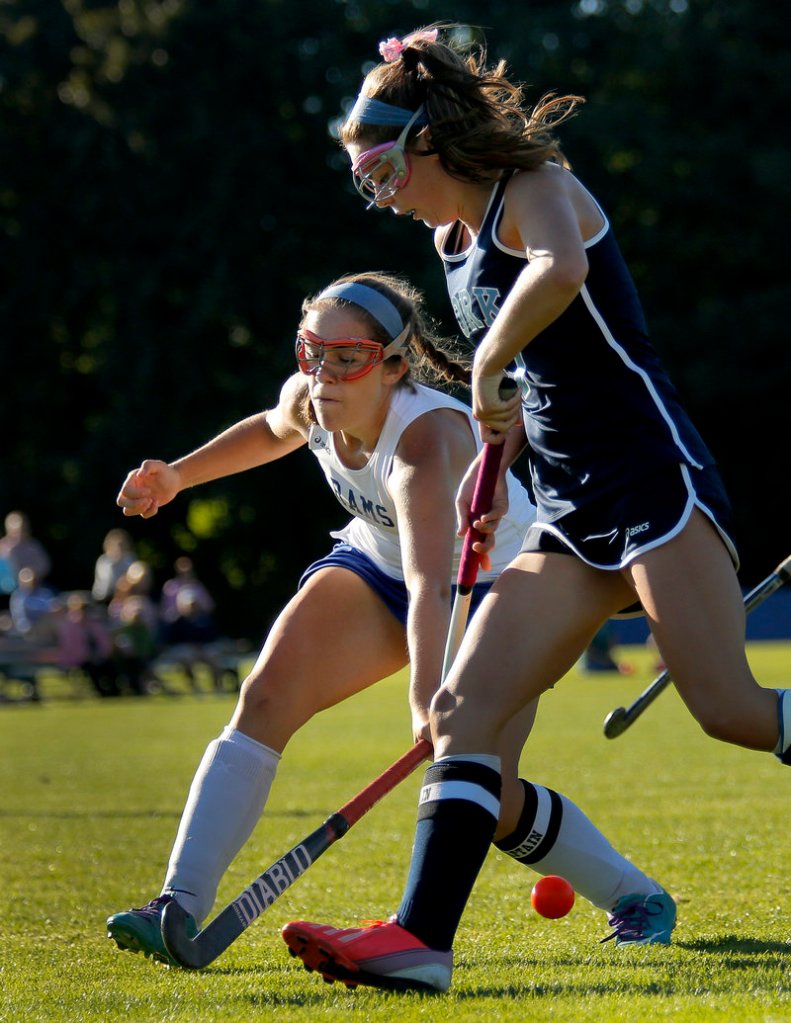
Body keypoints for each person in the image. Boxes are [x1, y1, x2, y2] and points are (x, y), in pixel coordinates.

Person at [281, 27, 789, 994]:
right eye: (363, 176)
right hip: (564, 505)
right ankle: (421, 941)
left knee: (726, 709)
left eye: (381, 166)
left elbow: (561, 273)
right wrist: (504, 439)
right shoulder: (450, 242)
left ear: (426, 143)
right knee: (462, 709)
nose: (376, 190)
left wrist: (482, 366)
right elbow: (543, 376)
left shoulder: (539, 188)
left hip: (651, 483)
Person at [106, 271, 671, 965]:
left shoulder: (424, 443)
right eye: (311, 352)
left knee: (481, 792)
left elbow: (436, 584)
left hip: (496, 586)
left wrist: (426, 698)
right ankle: (177, 904)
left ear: (395, 364)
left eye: (349, 358)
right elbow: (270, 429)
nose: (325, 373)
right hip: (378, 565)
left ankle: (634, 894)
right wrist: (178, 476)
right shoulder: (311, 401)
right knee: (264, 697)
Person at [0, 511, 51, 591]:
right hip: (8, 591)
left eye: (22, 529)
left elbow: (45, 565)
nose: (19, 534)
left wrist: (31, 574)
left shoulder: (33, 545)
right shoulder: (2, 547)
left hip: (35, 588)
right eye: (15, 531)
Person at [92, 528, 136, 604]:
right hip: (104, 597)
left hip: (127, 596)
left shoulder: (130, 559)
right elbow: (107, 583)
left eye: (121, 544)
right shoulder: (103, 561)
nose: (118, 547)